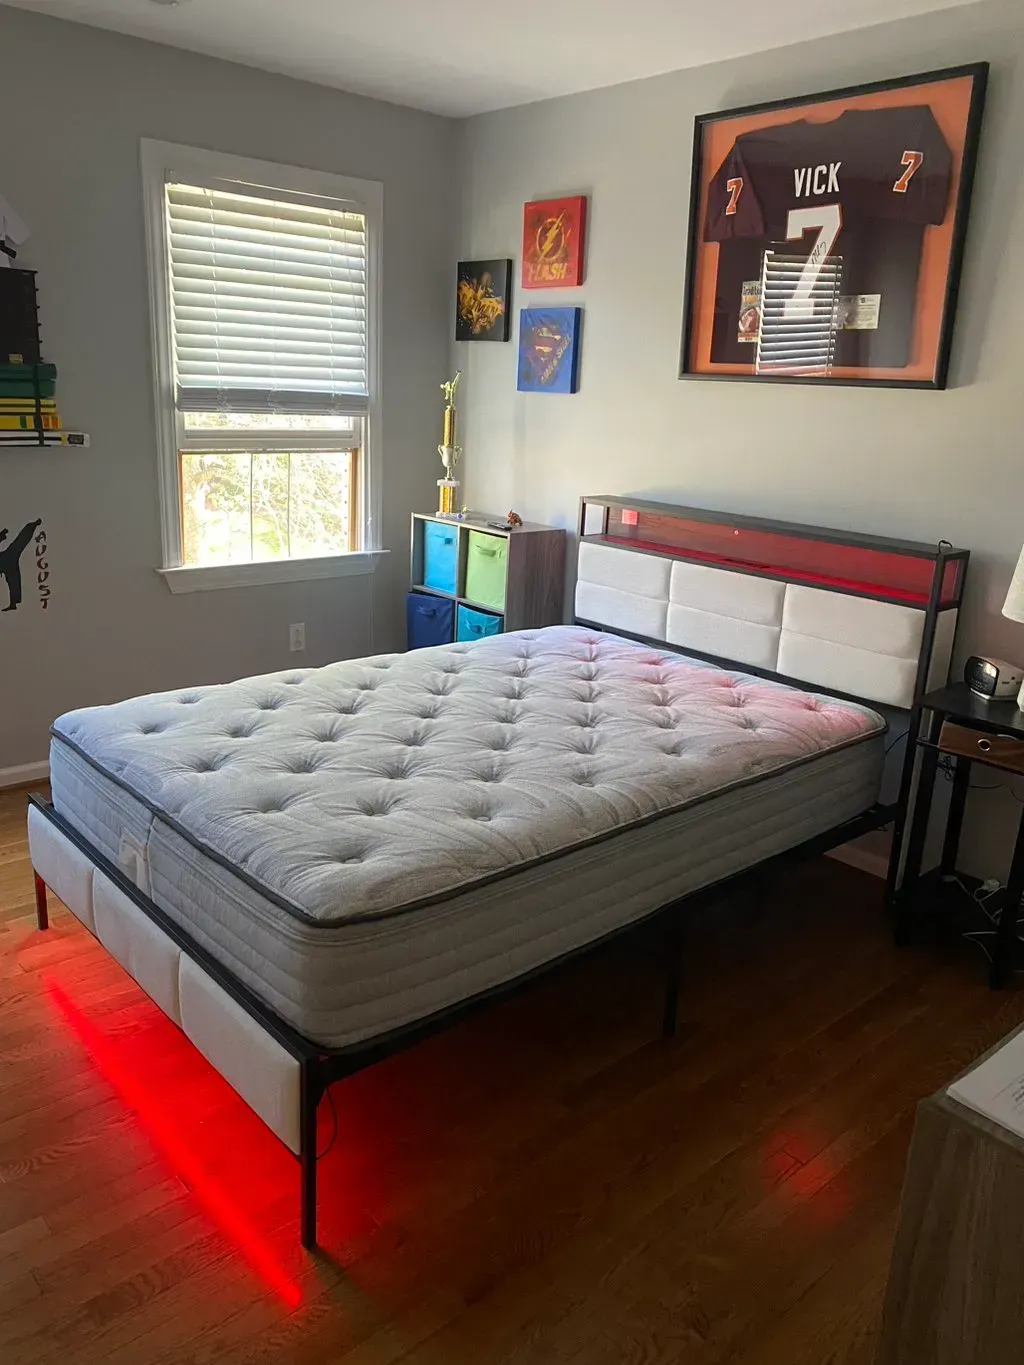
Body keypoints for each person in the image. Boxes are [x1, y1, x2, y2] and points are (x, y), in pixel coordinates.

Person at [0, 519, 42, 611]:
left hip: (6, 559)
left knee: (18, 544)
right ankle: (13, 604)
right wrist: (2, 535)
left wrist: (2, 535)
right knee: (13, 582)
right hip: (6, 563)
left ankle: (32, 525)